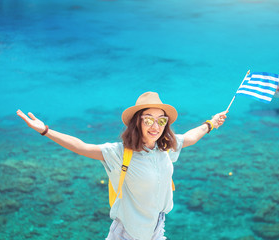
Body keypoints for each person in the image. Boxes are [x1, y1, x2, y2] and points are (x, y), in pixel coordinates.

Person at [16, 91, 227, 240]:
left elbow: (190, 137)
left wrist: (210, 123)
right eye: (148, 120)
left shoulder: (165, 147)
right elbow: (81, 146)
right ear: (137, 122)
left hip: (156, 228)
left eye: (161, 121)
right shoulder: (119, 153)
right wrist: (45, 130)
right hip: (127, 234)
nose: (156, 126)